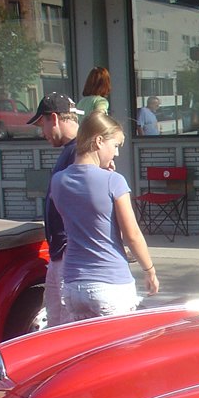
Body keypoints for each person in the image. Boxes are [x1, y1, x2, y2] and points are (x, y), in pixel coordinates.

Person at [50, 113, 158, 321]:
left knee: (87, 349)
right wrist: (149, 270)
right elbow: (132, 234)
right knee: (119, 351)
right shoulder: (113, 181)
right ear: (99, 140)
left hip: (73, 283)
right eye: (115, 145)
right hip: (110, 283)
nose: (117, 153)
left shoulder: (58, 180)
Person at [28, 93, 84, 327]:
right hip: (61, 250)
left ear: (54, 118)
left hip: (70, 252)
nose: (43, 133)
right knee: (56, 321)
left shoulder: (81, 151)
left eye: (43, 125)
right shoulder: (73, 150)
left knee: (66, 327)